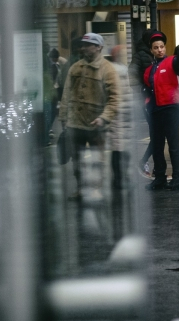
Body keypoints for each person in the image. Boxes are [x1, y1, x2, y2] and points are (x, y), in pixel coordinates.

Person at [58, 33, 119, 200]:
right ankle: (80, 188)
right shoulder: (75, 67)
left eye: (88, 44)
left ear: (98, 47)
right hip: (75, 123)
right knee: (76, 160)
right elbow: (66, 94)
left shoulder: (107, 69)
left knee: (97, 160)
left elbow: (114, 99)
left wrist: (104, 118)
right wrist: (64, 117)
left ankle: (96, 189)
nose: (84, 47)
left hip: (96, 124)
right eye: (83, 44)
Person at [143, 31, 179, 191]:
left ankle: (177, 178)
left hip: (170, 109)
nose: (160, 49)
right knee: (157, 146)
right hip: (155, 110)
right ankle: (160, 178)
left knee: (173, 145)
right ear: (152, 50)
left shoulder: (172, 61)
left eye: (161, 47)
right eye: (156, 47)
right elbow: (147, 87)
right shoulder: (150, 69)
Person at [128, 29, 155, 179]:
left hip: (157, 100)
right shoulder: (140, 55)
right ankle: (144, 161)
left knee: (157, 134)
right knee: (157, 133)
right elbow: (131, 74)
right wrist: (142, 91)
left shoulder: (152, 54)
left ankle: (152, 165)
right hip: (148, 100)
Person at [108, 45, 132, 190]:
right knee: (119, 148)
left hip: (121, 114)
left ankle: (119, 177)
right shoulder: (116, 70)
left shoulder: (120, 69)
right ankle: (119, 177)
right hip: (119, 114)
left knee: (119, 148)